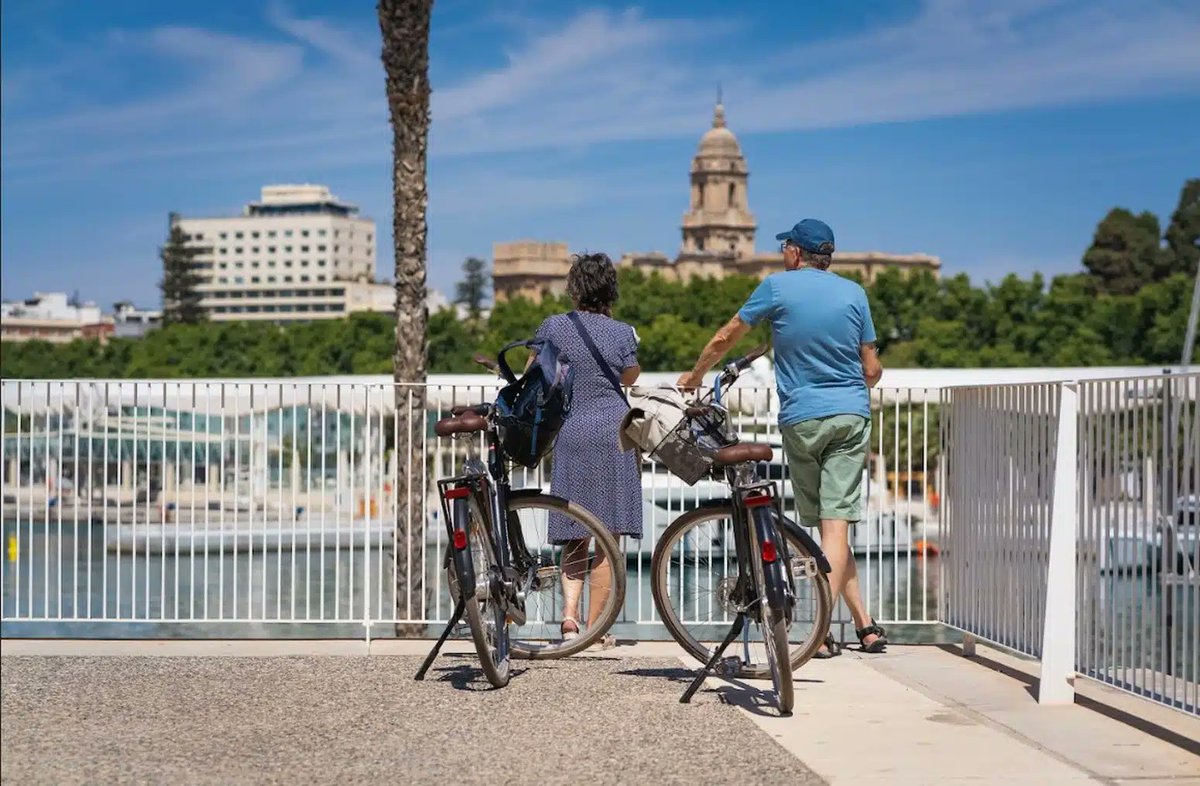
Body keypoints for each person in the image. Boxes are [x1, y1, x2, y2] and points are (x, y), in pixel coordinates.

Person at [677, 219, 886, 656]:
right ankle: (851, 626)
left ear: (795, 253)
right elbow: (871, 369)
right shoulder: (854, 294)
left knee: (824, 527)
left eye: (785, 247)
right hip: (849, 414)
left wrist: (695, 375)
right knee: (836, 526)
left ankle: (835, 628)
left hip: (801, 419)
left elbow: (726, 335)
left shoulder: (776, 288)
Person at [535, 253, 642, 646]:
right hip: (616, 433)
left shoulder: (554, 327)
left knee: (575, 530)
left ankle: (569, 618)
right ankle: (597, 628)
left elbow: (537, 370)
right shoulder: (622, 332)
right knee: (608, 537)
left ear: (574, 287)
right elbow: (630, 375)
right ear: (610, 288)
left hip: (573, 431)